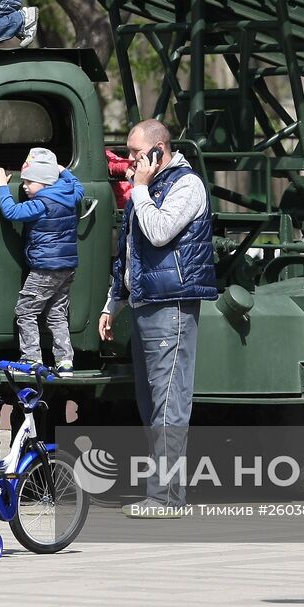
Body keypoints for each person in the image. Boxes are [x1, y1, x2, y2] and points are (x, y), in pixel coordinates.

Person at [97, 120, 217, 518]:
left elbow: (160, 232)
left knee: (169, 404)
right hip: (145, 304)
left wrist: (142, 188)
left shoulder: (186, 185)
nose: (130, 161)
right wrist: (112, 303)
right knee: (151, 406)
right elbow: (129, 251)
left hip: (173, 305)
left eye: (135, 153)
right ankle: (162, 492)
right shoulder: (146, 191)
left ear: (159, 150)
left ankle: (166, 498)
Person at [0, 148, 84, 371]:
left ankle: (31, 358)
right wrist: (64, 171)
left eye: (29, 182)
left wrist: (3, 185)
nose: (24, 186)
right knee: (57, 313)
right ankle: (65, 360)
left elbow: (11, 212)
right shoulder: (69, 196)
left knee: (26, 310)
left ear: (45, 183)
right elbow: (79, 187)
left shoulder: (41, 204)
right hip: (67, 266)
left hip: (45, 268)